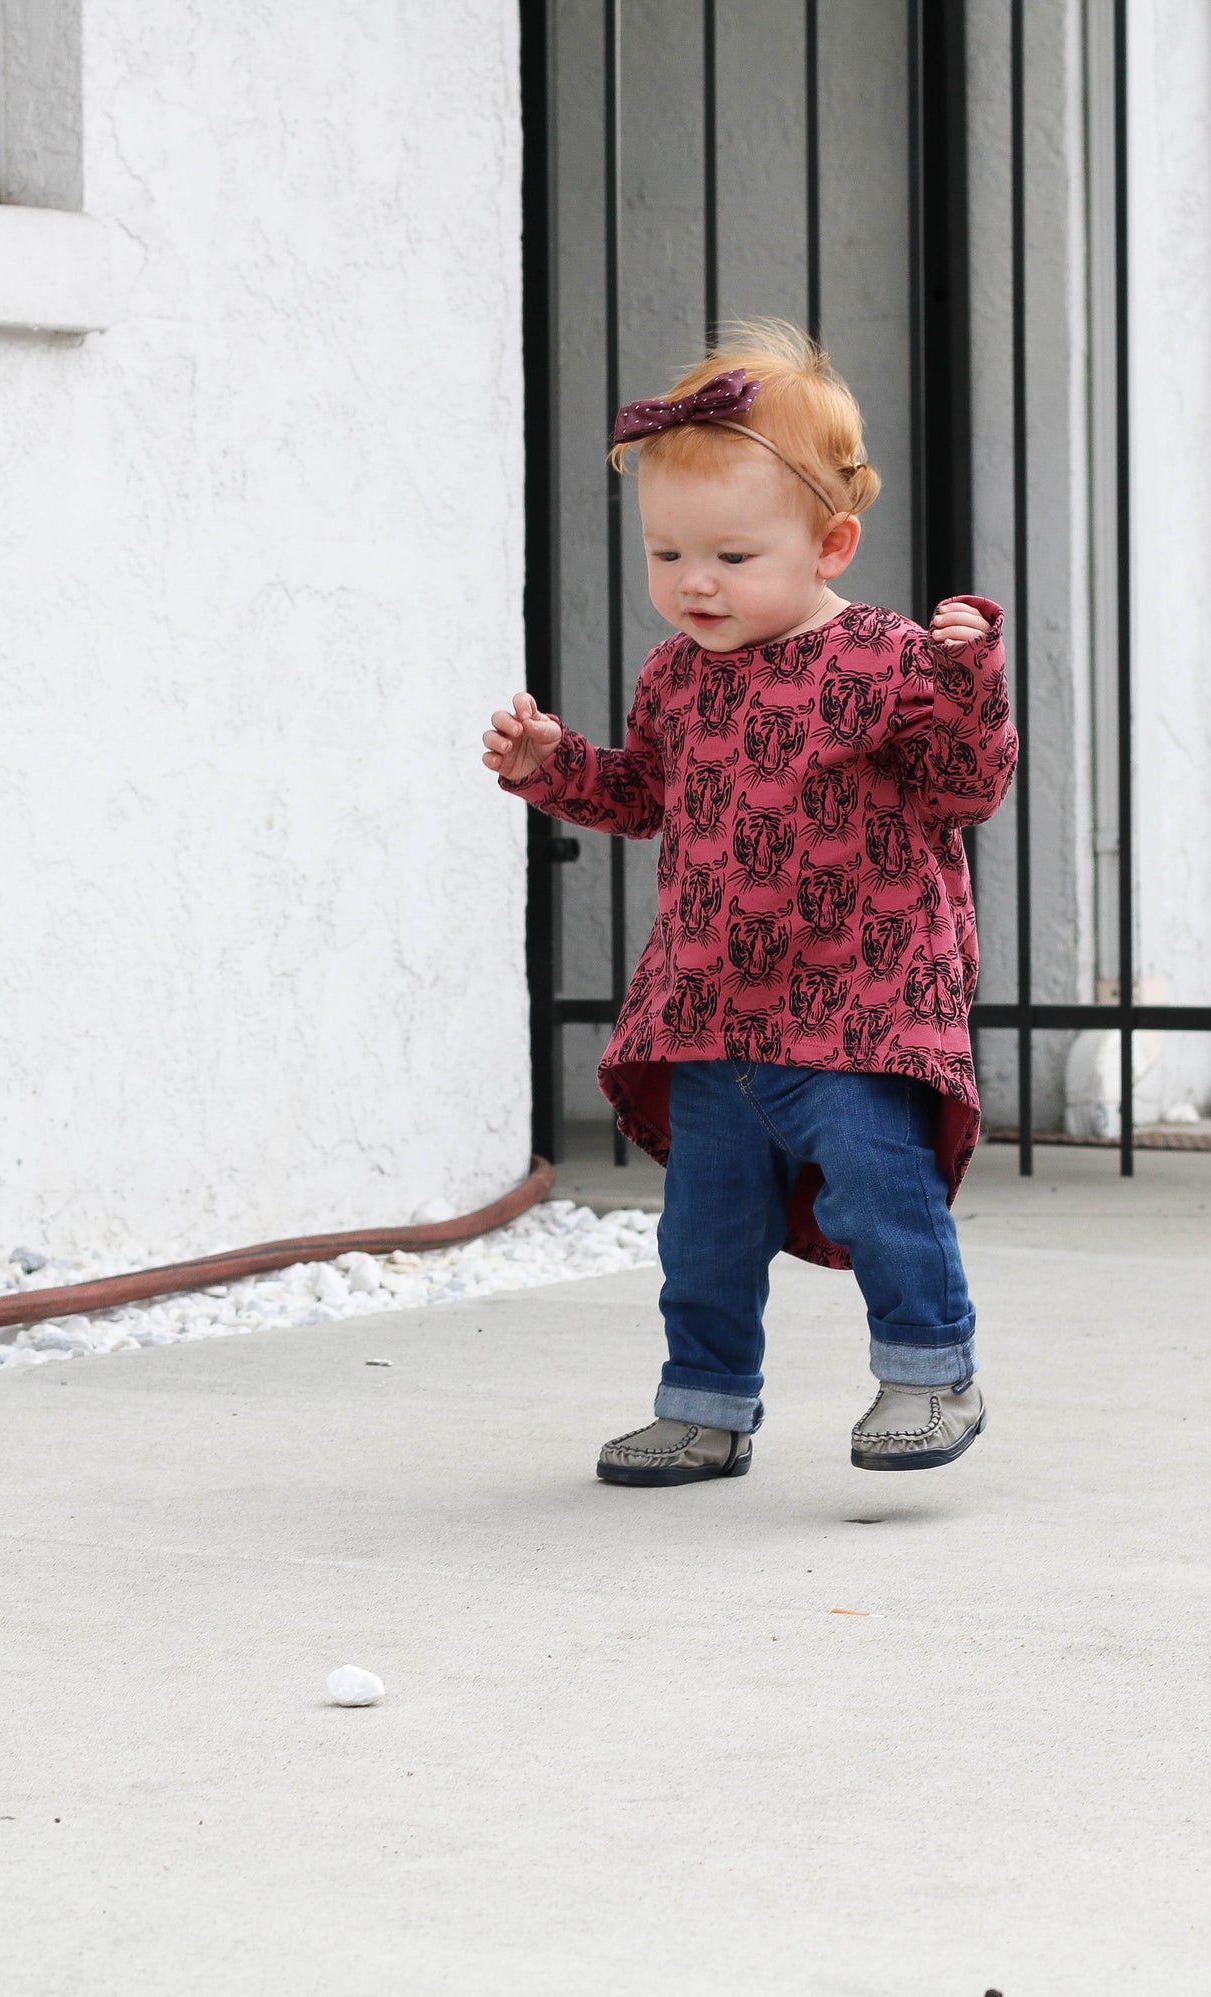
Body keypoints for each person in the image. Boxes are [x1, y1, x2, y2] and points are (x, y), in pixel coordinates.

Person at [482, 319, 1016, 1488]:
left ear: (830, 544)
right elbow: (640, 796)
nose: (694, 584)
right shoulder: (675, 676)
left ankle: (930, 1366)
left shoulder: (882, 658)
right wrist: (548, 762)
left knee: (884, 1188)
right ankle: (704, 1402)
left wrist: (969, 676)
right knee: (703, 1229)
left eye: (729, 556)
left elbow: (963, 786)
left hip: (859, 1001)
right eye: (666, 555)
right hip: (713, 1003)